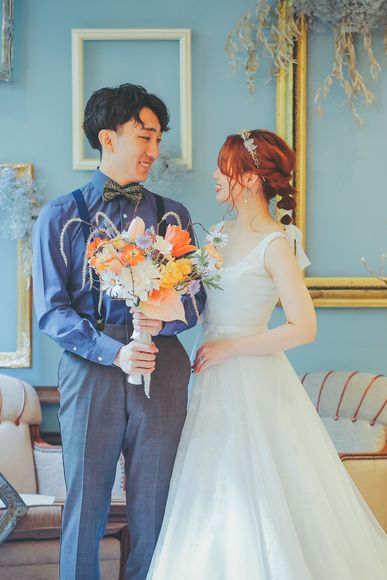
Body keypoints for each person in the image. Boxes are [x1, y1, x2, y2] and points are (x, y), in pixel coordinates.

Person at [146, 129, 387, 579]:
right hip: (208, 375)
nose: (215, 175)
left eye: (224, 168)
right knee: (209, 488)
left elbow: (303, 327)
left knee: (256, 492)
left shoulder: (277, 243)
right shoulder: (217, 234)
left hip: (251, 379)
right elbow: (192, 301)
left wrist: (230, 348)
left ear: (251, 179)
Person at [32, 83, 206, 580]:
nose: (154, 150)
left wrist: (164, 321)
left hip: (163, 367)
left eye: (158, 139)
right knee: (86, 502)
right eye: (144, 137)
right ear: (108, 138)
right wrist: (114, 351)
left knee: (155, 505)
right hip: (91, 368)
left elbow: (196, 298)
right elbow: (51, 311)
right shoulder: (61, 216)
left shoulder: (173, 215)